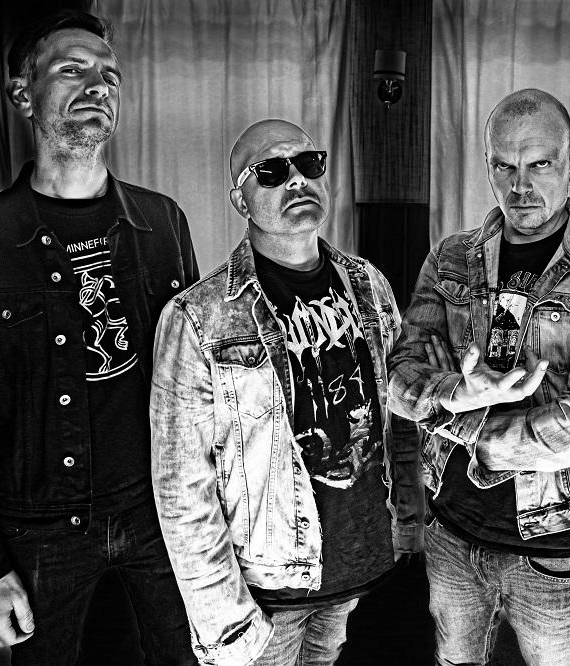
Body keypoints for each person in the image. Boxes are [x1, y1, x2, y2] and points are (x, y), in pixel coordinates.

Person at [0, 10, 199, 665]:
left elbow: (194, 384)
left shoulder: (163, 222)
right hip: (39, 523)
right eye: (73, 69)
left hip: (162, 513)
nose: (99, 85)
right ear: (23, 93)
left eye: (110, 76)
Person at [149, 119, 423, 665]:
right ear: (241, 201)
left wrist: (409, 521)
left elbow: (400, 417)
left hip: (357, 571)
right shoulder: (198, 316)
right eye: (271, 171)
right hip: (266, 594)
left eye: (309, 163)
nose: (297, 179)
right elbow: (181, 487)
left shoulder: (369, 283)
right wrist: (226, 624)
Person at [387, 88, 570, 666]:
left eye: (539, 164)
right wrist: (456, 390)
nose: (520, 185)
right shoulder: (451, 258)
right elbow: (399, 381)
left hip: (554, 543)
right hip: (450, 530)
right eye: (504, 166)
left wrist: (457, 415)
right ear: (488, 166)